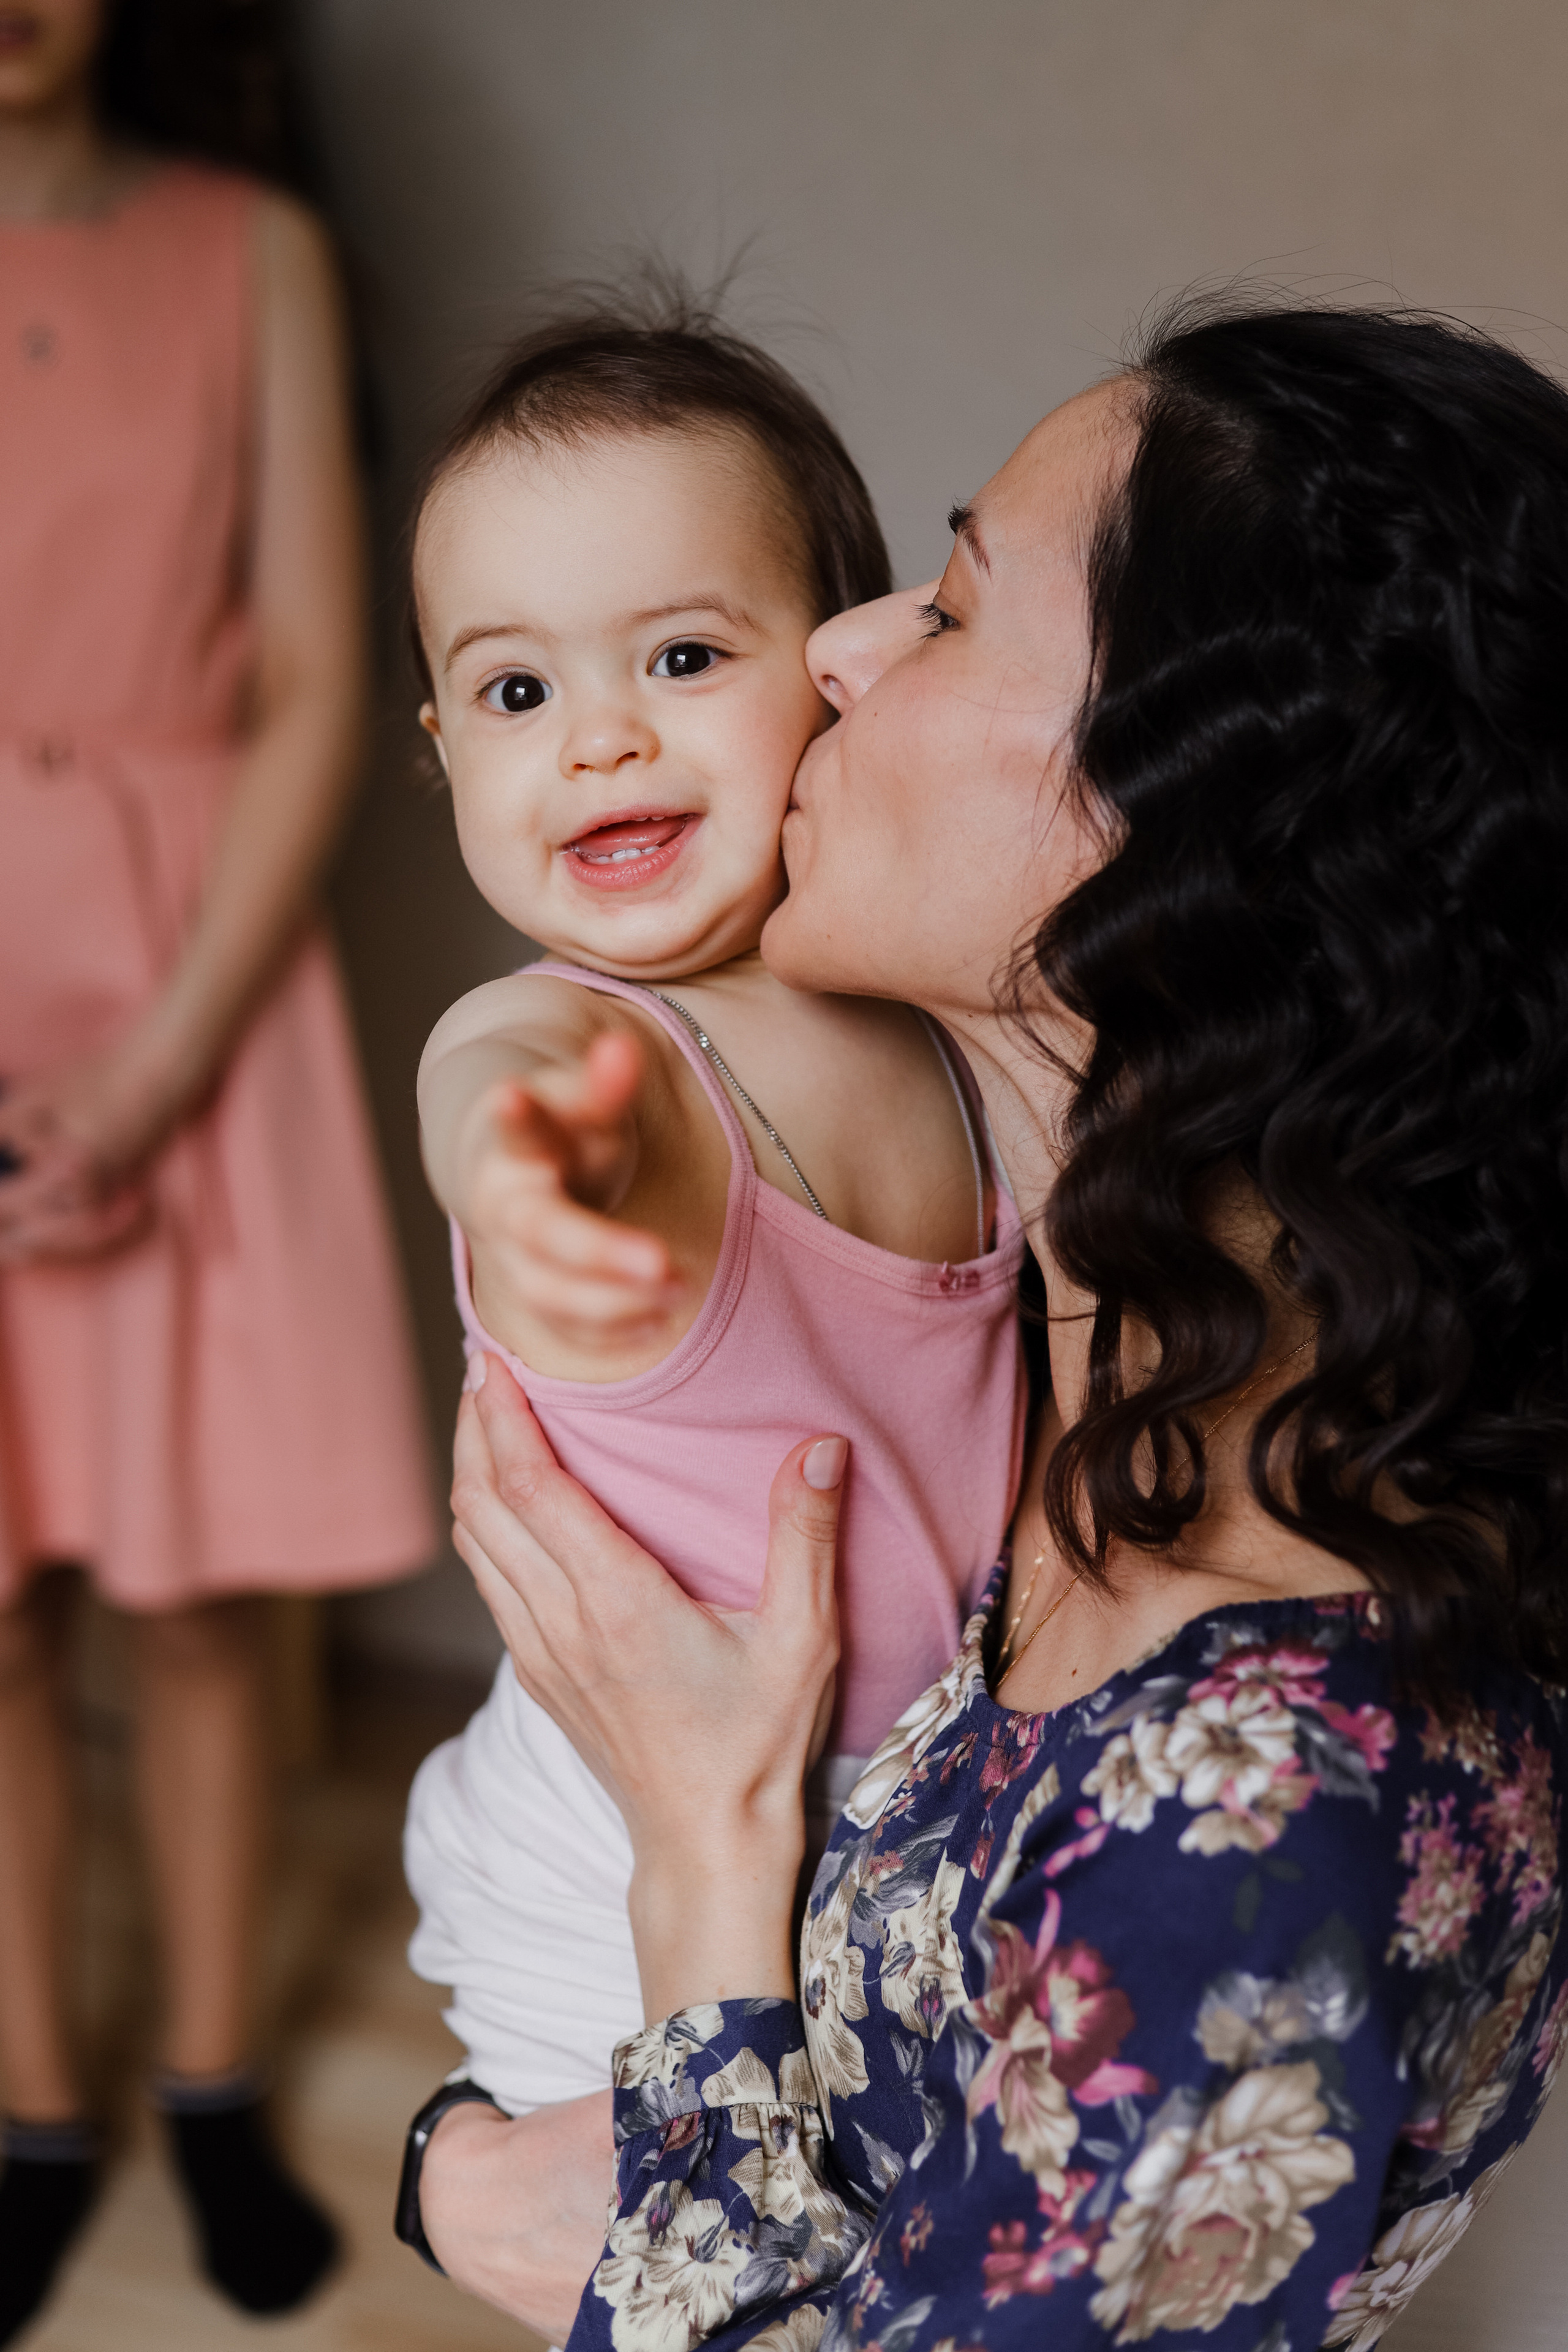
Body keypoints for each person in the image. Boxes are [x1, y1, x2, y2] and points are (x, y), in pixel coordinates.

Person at [407, 300, 1568, 2352]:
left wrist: (673, 1910)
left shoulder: (1259, 1791)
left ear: (1184, 813)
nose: (841, 645)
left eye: (947, 610)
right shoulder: (1131, 1344)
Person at [399, 301, 1025, 2127]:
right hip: (600, 1877)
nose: (596, 741)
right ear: (444, 745)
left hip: (871, 1823)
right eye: (519, 693)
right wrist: (524, 1163)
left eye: (679, 656)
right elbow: (487, 1067)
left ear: (840, 667)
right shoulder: (597, 1049)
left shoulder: (929, 1013)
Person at [0, 0, 435, 2337]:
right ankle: (36, 2109)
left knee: (193, 1603)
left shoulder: (254, 252)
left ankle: (207, 2087)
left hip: (192, 981)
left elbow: (303, 681)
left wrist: (155, 1067)